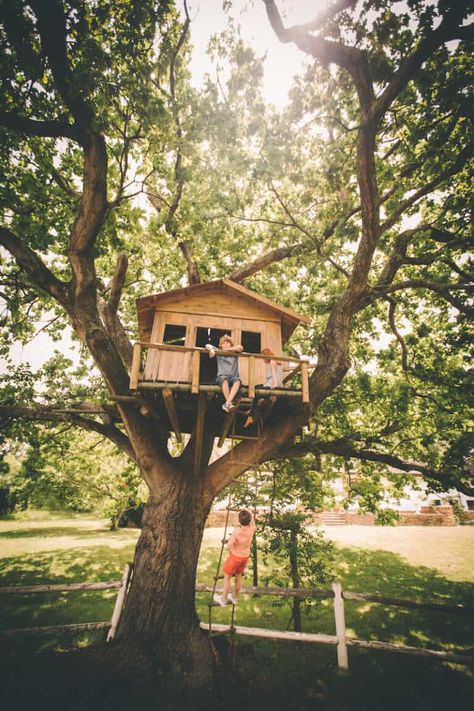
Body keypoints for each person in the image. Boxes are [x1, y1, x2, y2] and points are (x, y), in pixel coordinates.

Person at [214, 509, 256, 607]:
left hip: (235, 557)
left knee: (227, 579)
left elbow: (229, 545)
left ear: (239, 520)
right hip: (245, 557)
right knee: (238, 578)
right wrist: (251, 513)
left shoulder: (237, 531)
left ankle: (223, 600)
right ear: (249, 520)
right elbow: (253, 522)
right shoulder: (252, 529)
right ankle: (234, 597)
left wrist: (231, 548)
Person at [243, 348, 285, 428]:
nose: (262, 359)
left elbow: (273, 374)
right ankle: (250, 415)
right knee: (257, 394)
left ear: (266, 355)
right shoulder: (277, 362)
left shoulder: (272, 361)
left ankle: (250, 415)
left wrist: (275, 384)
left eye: (263, 357)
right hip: (273, 384)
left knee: (255, 388)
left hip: (272, 385)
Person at [206, 334, 243, 412]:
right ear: (221, 345)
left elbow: (241, 348)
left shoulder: (234, 353)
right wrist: (212, 350)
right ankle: (228, 403)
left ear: (231, 344)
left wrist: (229, 349)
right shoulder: (219, 352)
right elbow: (207, 345)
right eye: (223, 343)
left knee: (238, 381)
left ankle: (227, 403)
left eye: (227, 342)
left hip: (233, 377)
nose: (225, 344)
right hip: (221, 376)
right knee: (224, 379)